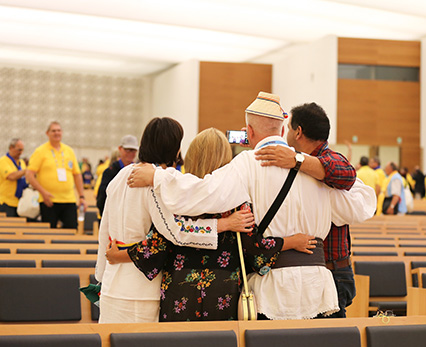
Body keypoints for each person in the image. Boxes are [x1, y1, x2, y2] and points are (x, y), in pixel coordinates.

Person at [129, 91, 376, 320]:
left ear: (249, 130)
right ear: (282, 130)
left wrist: (157, 177)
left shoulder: (248, 162)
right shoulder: (315, 167)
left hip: (275, 286)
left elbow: (203, 193)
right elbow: (363, 205)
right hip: (318, 285)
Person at [107, 127, 315, 321]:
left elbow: (160, 243)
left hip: (179, 288)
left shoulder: (177, 196)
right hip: (223, 289)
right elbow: (255, 249)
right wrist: (291, 241)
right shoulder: (236, 202)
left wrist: (119, 254)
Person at [95, 118, 247, 323]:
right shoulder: (157, 181)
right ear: (173, 147)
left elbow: (104, 231)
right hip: (140, 289)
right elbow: (176, 231)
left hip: (113, 284)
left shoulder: (120, 176)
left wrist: (101, 276)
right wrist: (224, 224)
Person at [254, 102, 359, 318]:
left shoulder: (328, 158)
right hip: (308, 271)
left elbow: (346, 174)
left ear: (298, 131)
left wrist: (296, 160)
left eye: (289, 127)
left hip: (332, 270)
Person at [26, 121, 86, 228]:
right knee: (49, 234)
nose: (56, 133)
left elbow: (77, 175)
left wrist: (81, 196)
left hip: (69, 200)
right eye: (53, 131)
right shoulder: (40, 151)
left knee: (72, 231)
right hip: (49, 200)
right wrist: (43, 193)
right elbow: (29, 174)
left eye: (59, 130)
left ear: (62, 133)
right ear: (47, 133)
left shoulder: (69, 151)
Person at [96, 135, 139, 217]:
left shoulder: (139, 172)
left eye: (133, 150)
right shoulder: (109, 172)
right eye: (127, 150)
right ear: (120, 149)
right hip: (113, 217)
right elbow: (102, 198)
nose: (130, 153)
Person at [0, 139, 27, 217]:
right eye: (19, 150)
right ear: (11, 148)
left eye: (22, 150)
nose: (21, 152)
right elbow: (11, 176)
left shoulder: (21, 162)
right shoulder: (3, 161)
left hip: (19, 203)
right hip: (6, 202)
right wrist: (27, 170)